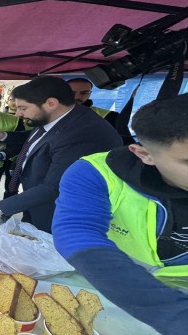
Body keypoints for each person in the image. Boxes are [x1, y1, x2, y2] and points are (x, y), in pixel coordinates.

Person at [53, 93, 188, 334]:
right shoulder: (96, 173)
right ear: (144, 154)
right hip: (118, 290)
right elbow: (76, 233)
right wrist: (177, 317)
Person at [0, 76, 122, 232]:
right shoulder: (60, 116)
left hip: (59, 217)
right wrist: (3, 136)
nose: (18, 114)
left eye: (23, 108)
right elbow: (39, 137)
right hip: (35, 203)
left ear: (51, 103)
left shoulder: (82, 134)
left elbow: (54, 187)